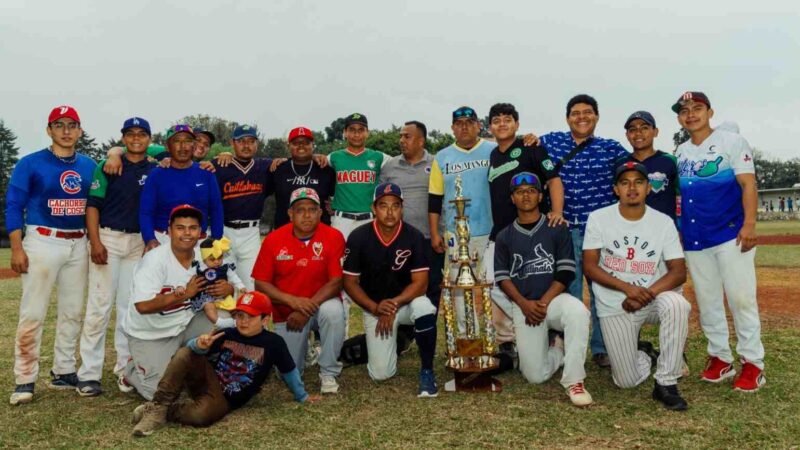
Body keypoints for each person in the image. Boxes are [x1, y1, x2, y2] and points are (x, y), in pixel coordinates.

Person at [673, 91, 765, 391]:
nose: (691, 114)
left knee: (741, 299)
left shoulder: (732, 142)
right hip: (695, 237)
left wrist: (750, 223)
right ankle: (720, 358)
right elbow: (680, 195)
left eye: (697, 108)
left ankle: (753, 363)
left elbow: (747, 184)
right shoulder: (681, 152)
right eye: (684, 110)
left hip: (730, 233)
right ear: (679, 117)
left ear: (709, 112)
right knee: (708, 300)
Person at [131, 291, 318, 437]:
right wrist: (199, 345)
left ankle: (164, 411)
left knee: (200, 417)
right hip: (208, 380)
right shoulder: (227, 333)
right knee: (186, 353)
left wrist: (302, 396)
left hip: (227, 399)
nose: (243, 322)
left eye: (250, 317)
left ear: (265, 319)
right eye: (239, 316)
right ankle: (158, 406)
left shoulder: (274, 343)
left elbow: (289, 370)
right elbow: (192, 353)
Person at [583, 161, 691, 410]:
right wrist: (627, 288)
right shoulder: (599, 218)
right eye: (625, 182)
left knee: (677, 305)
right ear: (616, 189)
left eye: (639, 182)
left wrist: (645, 293)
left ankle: (666, 382)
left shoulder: (663, 222)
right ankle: (645, 355)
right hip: (615, 302)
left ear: (648, 188)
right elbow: (590, 266)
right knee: (625, 381)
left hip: (654, 298)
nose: (632, 188)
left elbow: (678, 272)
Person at [6, 105, 96, 405]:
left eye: (72, 125)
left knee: (72, 310)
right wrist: (17, 247)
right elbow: (13, 204)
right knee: (33, 312)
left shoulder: (89, 165)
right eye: (59, 125)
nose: (66, 130)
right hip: (43, 240)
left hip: (78, 242)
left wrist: (115, 152)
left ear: (80, 130)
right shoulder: (30, 163)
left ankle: (64, 370)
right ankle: (25, 378)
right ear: (49, 130)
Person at [538, 94, 630, 368]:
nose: (581, 117)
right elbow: (526, 148)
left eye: (587, 112)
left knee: (604, 293)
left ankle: (603, 348)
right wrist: (528, 138)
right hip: (564, 231)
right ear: (567, 118)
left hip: (602, 234)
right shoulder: (550, 142)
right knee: (570, 292)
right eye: (575, 113)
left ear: (597, 116)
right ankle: (569, 348)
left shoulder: (611, 149)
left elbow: (634, 173)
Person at [494, 172, 592, 407]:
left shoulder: (556, 228)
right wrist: (524, 304)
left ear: (540, 196)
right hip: (524, 305)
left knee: (578, 311)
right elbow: (502, 277)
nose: (525, 195)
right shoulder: (504, 235)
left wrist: (544, 302)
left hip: (554, 301)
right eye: (519, 192)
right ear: (512, 199)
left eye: (531, 190)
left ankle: (574, 380)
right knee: (535, 377)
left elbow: (566, 271)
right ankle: (557, 349)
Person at [76, 117, 157, 397]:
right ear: (123, 137)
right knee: (99, 308)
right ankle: (88, 374)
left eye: (142, 134)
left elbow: (174, 153)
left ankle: (125, 372)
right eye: (130, 134)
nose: (136, 138)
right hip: (108, 237)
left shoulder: (156, 167)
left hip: (137, 242)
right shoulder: (108, 165)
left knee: (129, 309)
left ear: (150, 138)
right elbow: (93, 205)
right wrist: (95, 240)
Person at [121, 205, 226, 400]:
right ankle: (132, 371)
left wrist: (227, 289)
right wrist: (185, 294)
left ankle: (198, 365)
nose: (187, 233)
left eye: (193, 228)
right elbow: (142, 306)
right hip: (151, 334)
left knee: (226, 322)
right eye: (180, 227)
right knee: (161, 395)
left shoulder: (204, 260)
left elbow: (221, 290)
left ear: (200, 232)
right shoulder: (154, 261)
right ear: (169, 231)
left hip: (184, 324)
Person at [343, 183, 439, 397]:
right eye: (383, 205)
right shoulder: (358, 236)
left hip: (404, 304)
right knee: (381, 374)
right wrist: (376, 308)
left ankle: (427, 371)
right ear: (374, 208)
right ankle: (400, 339)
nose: (389, 212)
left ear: (402, 208)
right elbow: (350, 283)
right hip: (375, 307)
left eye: (395, 206)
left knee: (424, 306)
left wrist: (394, 304)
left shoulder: (413, 236)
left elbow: (421, 283)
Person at [429, 106, 514, 347]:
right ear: (453, 128)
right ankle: (469, 341)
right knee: (458, 288)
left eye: (470, 122)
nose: (464, 126)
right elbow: (435, 197)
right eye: (459, 123)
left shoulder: (493, 150)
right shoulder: (443, 156)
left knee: (496, 288)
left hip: (490, 231)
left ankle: (505, 341)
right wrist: (435, 231)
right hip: (456, 236)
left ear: (479, 126)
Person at [486, 103, 566, 354]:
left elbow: (553, 180)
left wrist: (557, 212)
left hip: (531, 231)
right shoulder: (493, 155)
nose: (502, 124)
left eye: (507, 119)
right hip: (501, 233)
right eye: (496, 120)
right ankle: (520, 327)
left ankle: (545, 328)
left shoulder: (531, 147)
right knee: (490, 282)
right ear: (490, 127)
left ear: (517, 124)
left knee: (535, 282)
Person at [253, 187, 346, 394]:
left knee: (334, 311)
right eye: (300, 210)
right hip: (287, 312)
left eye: (312, 209)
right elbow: (261, 285)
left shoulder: (333, 236)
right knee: (286, 372)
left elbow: (336, 282)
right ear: (290, 213)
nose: (306, 215)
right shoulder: (273, 239)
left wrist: (304, 308)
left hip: (318, 307)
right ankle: (305, 351)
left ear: (320, 213)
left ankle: (328, 372)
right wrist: (293, 302)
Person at [139, 125, 224, 251]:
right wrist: (150, 239)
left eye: (188, 141)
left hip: (198, 242)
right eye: (177, 141)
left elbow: (216, 210)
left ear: (193, 145)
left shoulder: (206, 173)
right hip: (162, 240)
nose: (182, 146)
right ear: (168, 146)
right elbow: (146, 211)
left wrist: (216, 240)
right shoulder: (156, 174)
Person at [211, 124, 273, 290]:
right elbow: (195, 165)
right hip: (224, 230)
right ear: (233, 143)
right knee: (223, 283)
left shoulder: (265, 166)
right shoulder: (219, 165)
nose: (246, 145)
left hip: (251, 233)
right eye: (241, 141)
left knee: (251, 285)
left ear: (257, 144)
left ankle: (247, 316)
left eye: (251, 141)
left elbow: (291, 164)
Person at [328, 113, 389, 239]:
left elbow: (402, 163)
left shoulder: (379, 157)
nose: (356, 134)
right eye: (352, 130)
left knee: (369, 258)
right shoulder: (333, 157)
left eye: (361, 130)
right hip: (341, 221)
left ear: (367, 133)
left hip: (369, 220)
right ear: (344, 132)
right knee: (341, 258)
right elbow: (309, 162)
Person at [271, 127, 336, 228]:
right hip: (285, 231)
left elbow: (337, 196)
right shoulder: (277, 170)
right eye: (296, 143)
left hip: (320, 231)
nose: (301, 146)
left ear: (312, 146)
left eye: (306, 143)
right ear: (289, 146)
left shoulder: (326, 170)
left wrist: (334, 209)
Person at [621, 111, 679, 221]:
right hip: (632, 231)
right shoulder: (620, 164)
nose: (638, 133)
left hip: (665, 232)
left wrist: (680, 227)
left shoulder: (670, 161)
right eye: (632, 129)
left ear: (655, 132)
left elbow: (683, 196)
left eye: (644, 128)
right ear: (627, 135)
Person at [192, 237, 246, 329]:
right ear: (205, 259)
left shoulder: (225, 267)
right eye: (212, 259)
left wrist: (241, 286)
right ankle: (218, 322)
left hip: (223, 295)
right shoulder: (199, 268)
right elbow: (187, 276)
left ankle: (236, 322)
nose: (217, 262)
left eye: (219, 258)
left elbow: (234, 277)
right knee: (209, 306)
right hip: (206, 294)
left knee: (233, 306)